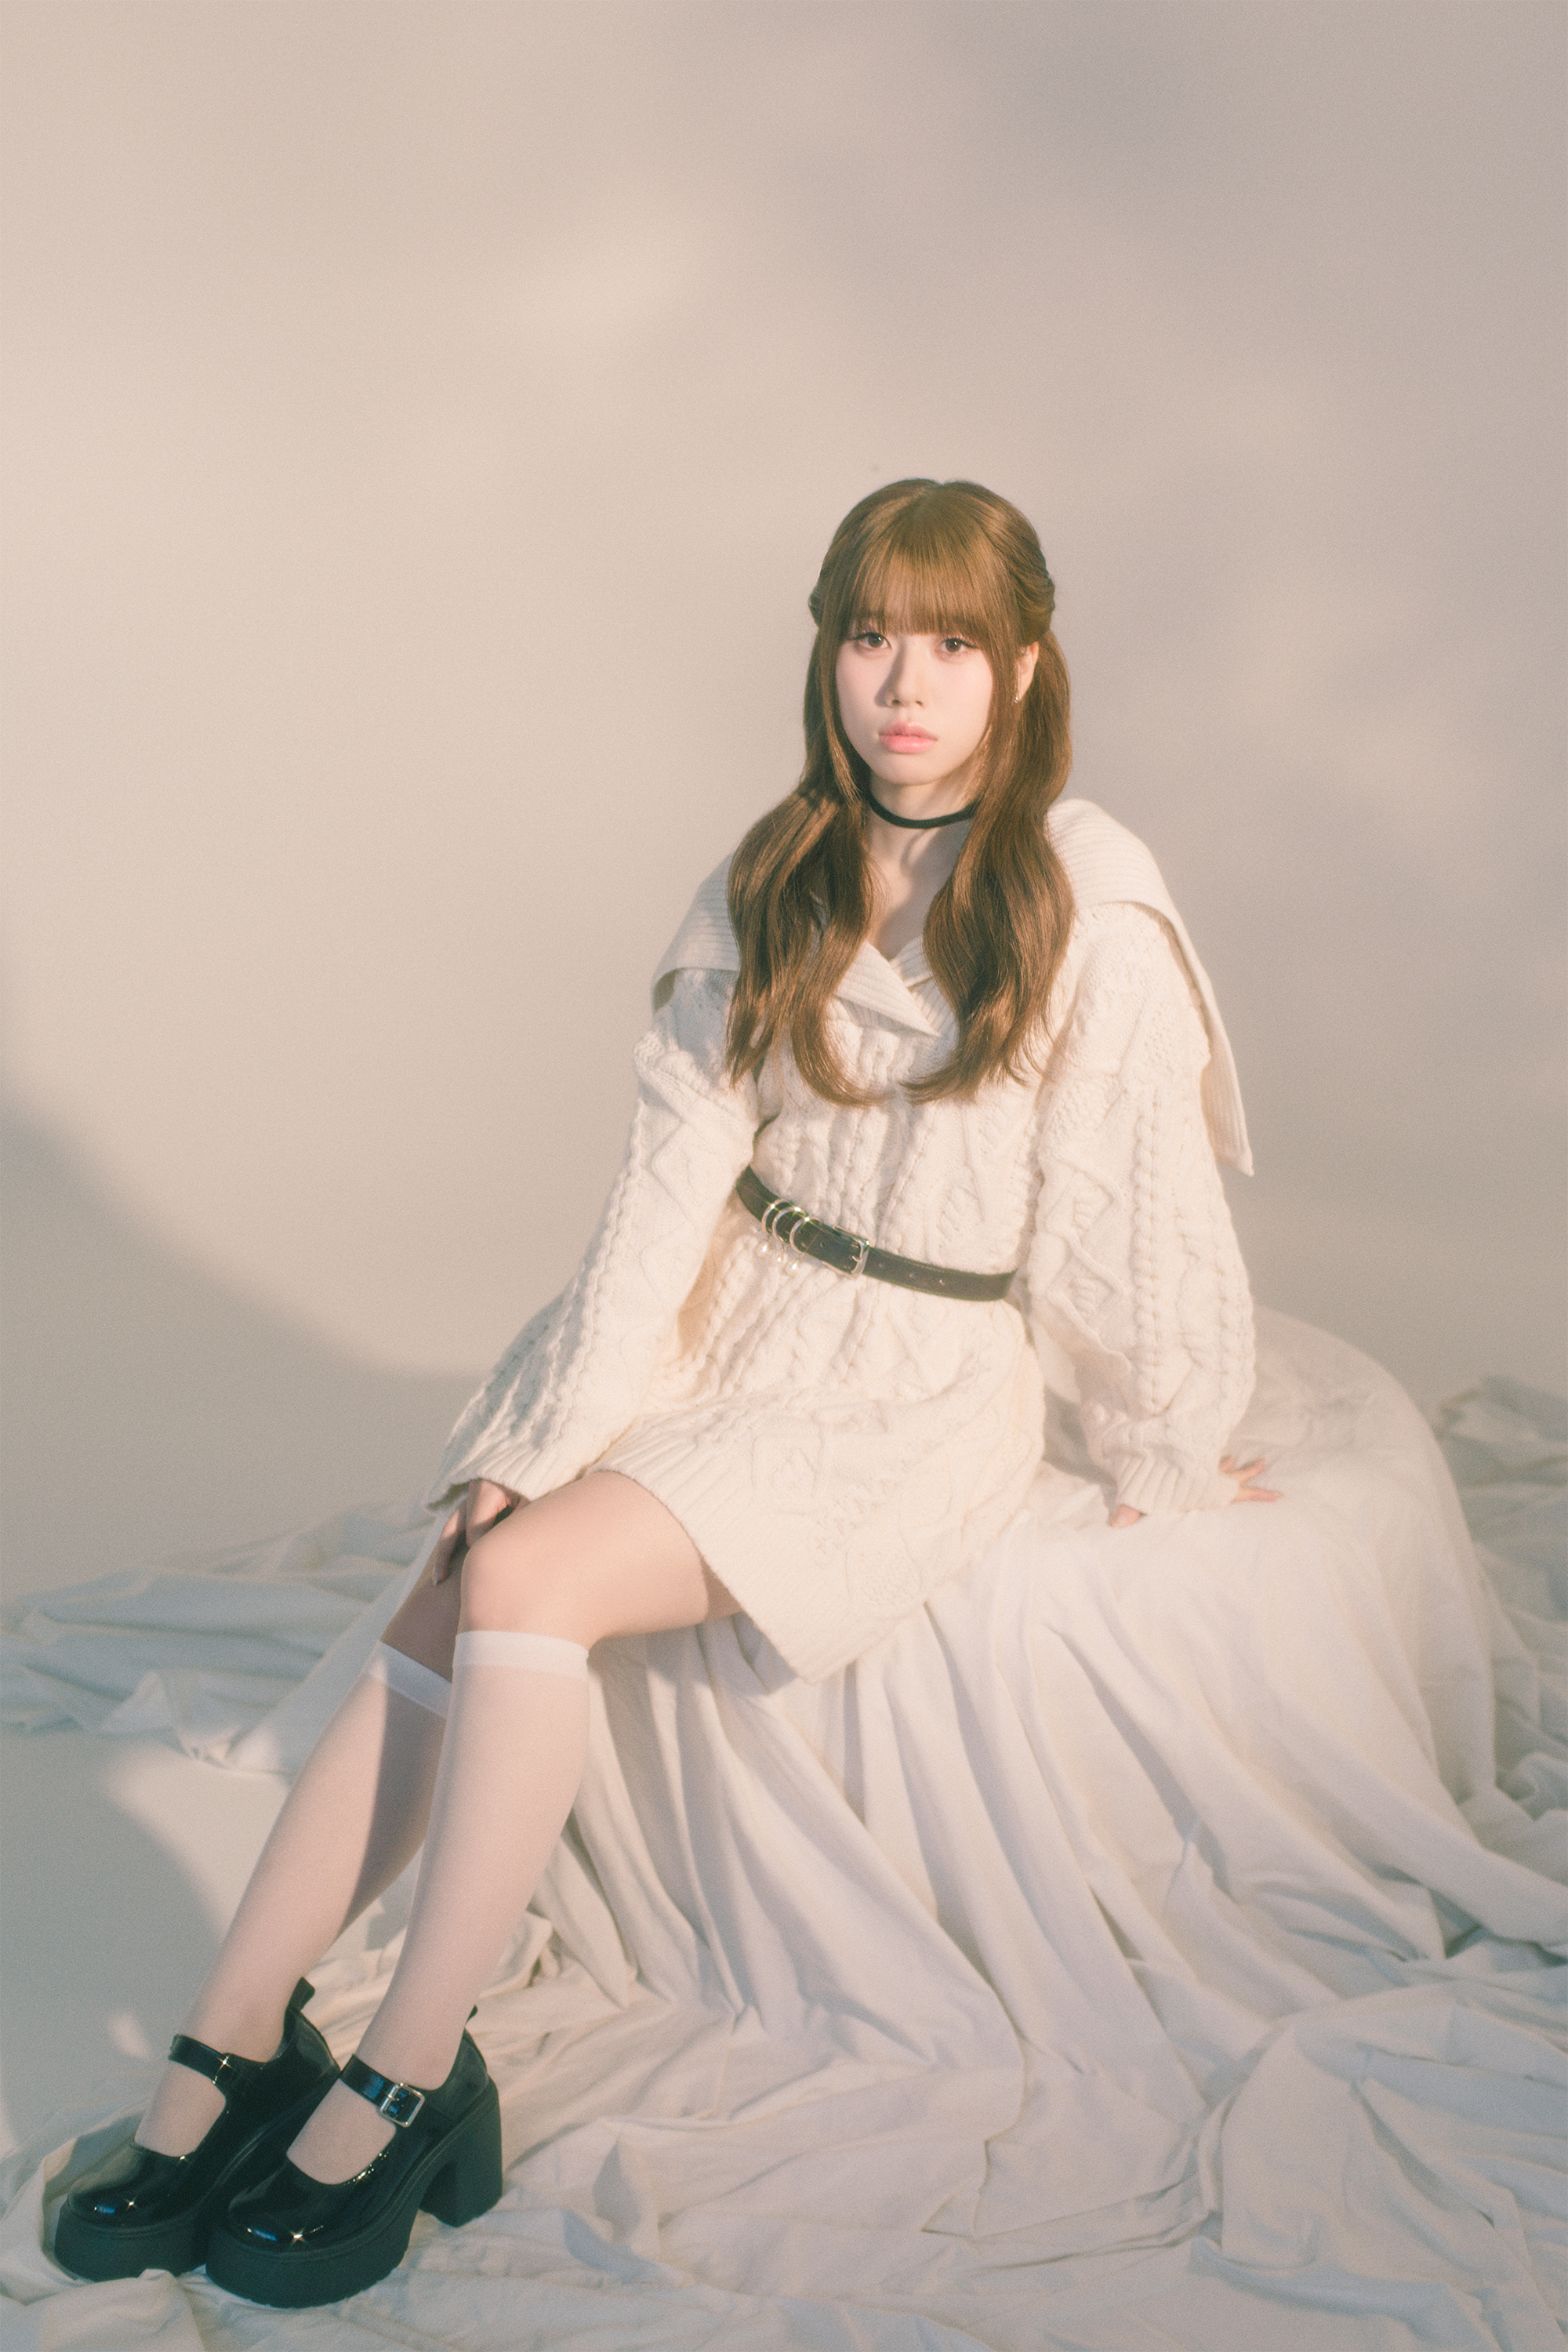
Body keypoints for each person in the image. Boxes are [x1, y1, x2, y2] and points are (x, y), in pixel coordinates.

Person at [57, 477, 1279, 2308]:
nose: (905, 684)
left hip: (910, 1382)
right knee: (459, 1564)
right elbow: (659, 1201)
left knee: (530, 1580)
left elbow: (1127, 1208)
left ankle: (411, 2071)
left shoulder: (1087, 898)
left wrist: (1168, 1433)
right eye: (871, 636)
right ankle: (235, 2037)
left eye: (952, 644)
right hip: (729, 1316)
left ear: (1026, 668)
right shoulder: (775, 872)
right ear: (828, 655)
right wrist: (542, 1431)